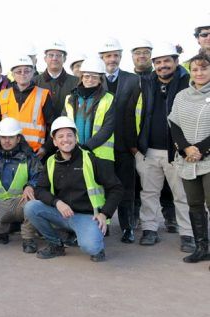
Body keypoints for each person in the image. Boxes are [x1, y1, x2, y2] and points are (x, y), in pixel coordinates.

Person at [24, 117, 123, 262]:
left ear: (76, 138)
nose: (66, 140)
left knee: (92, 248)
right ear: (55, 142)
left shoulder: (91, 160)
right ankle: (56, 244)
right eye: (61, 136)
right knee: (31, 207)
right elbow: (40, 190)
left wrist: (104, 214)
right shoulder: (51, 162)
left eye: (69, 135)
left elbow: (117, 188)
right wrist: (57, 202)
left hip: (87, 217)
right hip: (62, 214)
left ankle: (94, 241)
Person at [136, 43, 194, 252]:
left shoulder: (188, 82)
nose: (162, 66)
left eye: (167, 61)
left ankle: (188, 234)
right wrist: (137, 146)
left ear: (176, 62)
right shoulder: (145, 82)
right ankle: (149, 229)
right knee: (148, 193)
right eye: (158, 62)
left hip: (177, 150)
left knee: (182, 194)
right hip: (149, 149)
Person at [97, 38, 142, 243]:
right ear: (102, 58)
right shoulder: (95, 79)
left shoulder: (133, 80)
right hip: (101, 147)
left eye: (115, 55)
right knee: (100, 187)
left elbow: (136, 113)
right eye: (108, 56)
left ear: (121, 57)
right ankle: (101, 226)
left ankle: (127, 227)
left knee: (126, 188)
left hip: (125, 145)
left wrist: (134, 144)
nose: (112, 59)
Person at [0, 118, 42, 252]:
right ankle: (4, 229)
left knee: (34, 206)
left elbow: (40, 176)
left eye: (11, 137)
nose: (7, 141)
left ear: (18, 138)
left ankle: (28, 238)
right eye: (3, 137)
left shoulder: (28, 157)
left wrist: (31, 186)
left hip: (21, 202)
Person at [168, 53, 210, 265]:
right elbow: (173, 124)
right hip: (187, 159)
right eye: (195, 69)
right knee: (194, 204)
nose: (199, 73)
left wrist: (200, 149)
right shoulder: (182, 96)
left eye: (203, 68)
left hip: (207, 159)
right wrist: (185, 148)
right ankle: (202, 248)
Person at [0, 56, 55, 159]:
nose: (23, 74)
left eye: (27, 71)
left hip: (35, 154)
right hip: (8, 153)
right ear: (13, 74)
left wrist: (45, 148)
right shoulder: (3, 95)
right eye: (19, 71)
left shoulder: (43, 95)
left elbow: (53, 126)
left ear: (32, 73)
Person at [61, 58, 115, 162]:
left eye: (95, 77)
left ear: (100, 79)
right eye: (86, 76)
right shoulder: (70, 99)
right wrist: (74, 147)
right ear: (81, 77)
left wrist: (87, 146)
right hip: (74, 153)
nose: (90, 80)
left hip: (100, 156)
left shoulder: (109, 98)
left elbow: (108, 128)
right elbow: (64, 124)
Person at [34, 40, 79, 122]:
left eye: (58, 55)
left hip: (67, 131)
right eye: (51, 55)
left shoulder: (76, 83)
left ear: (64, 59)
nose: (54, 58)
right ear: (45, 58)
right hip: (41, 132)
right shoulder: (34, 82)